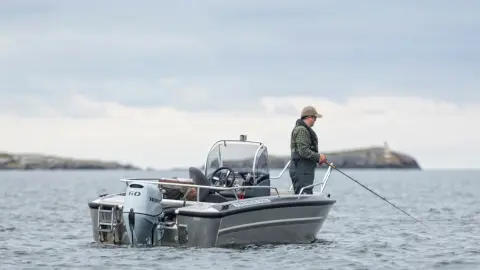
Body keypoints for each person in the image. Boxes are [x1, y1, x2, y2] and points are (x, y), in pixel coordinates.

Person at [289, 105, 327, 194]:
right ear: (309, 117)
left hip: (304, 170)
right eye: (314, 118)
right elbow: (303, 151)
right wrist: (318, 157)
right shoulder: (302, 130)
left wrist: (318, 158)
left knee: (305, 194)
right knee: (303, 195)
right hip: (301, 171)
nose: (315, 120)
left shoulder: (303, 129)